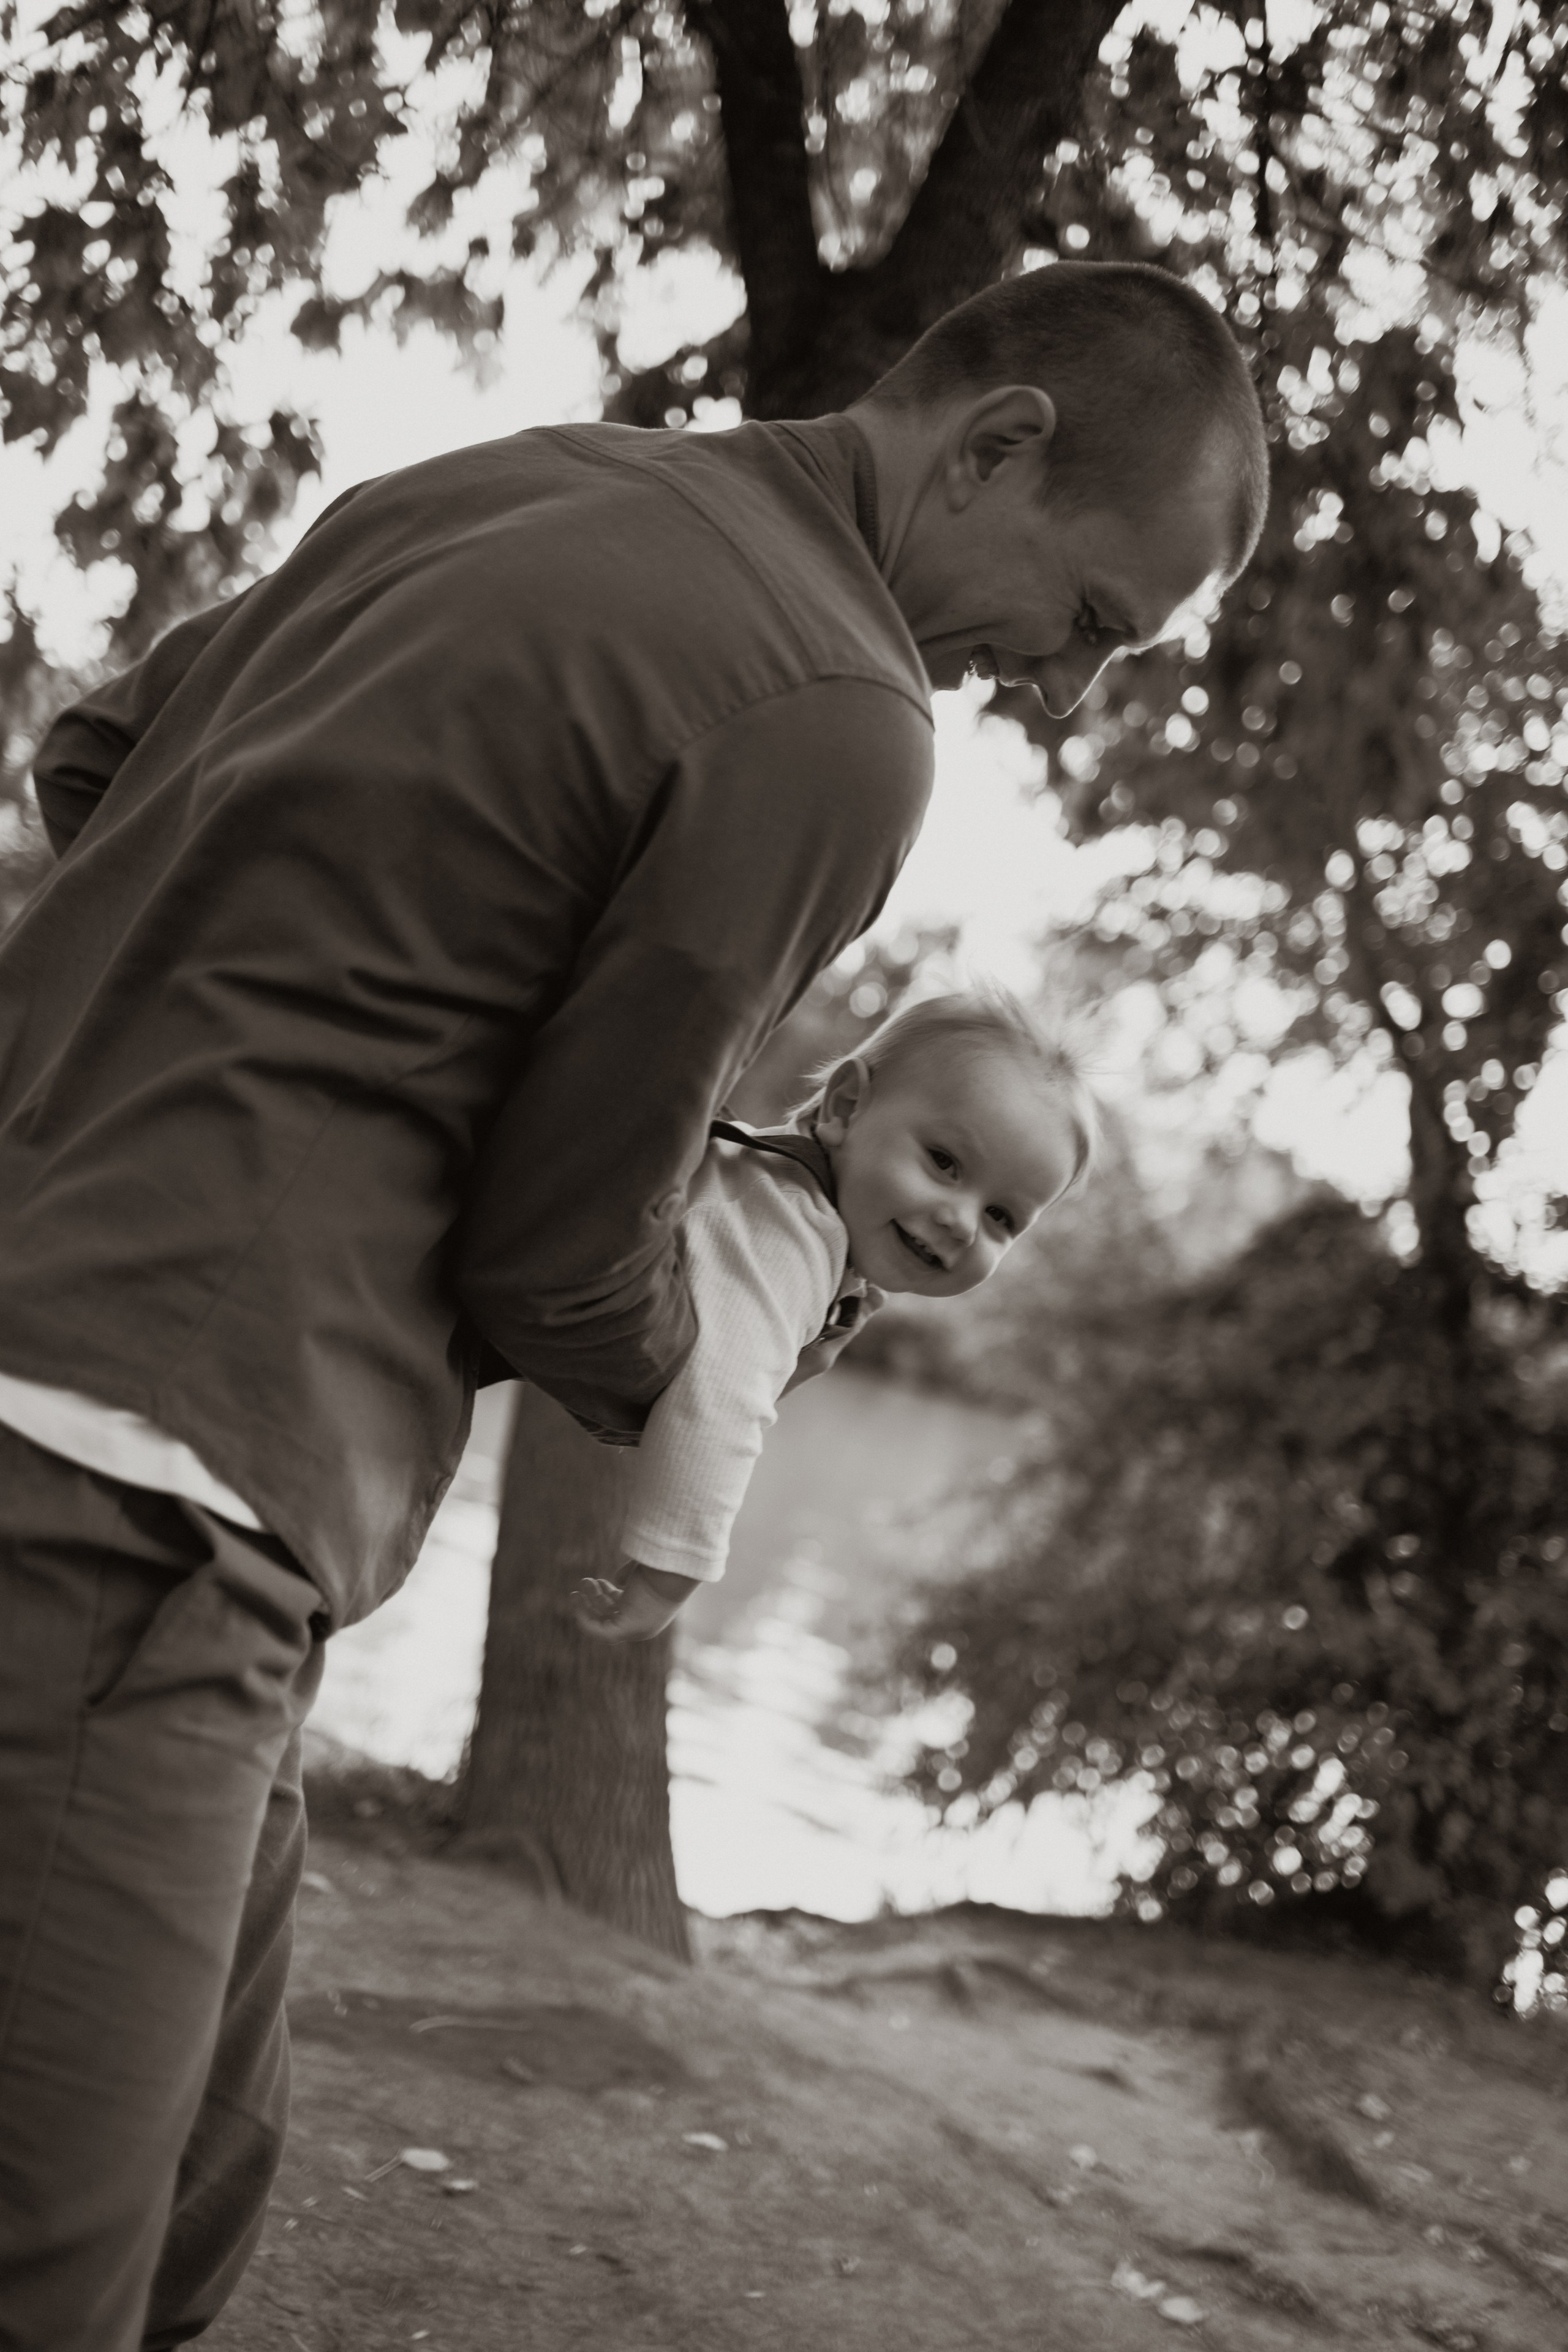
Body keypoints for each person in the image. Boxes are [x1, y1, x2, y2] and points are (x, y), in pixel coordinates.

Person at [0, 258, 1267, 2348]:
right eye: (1095, 622)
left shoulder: (508, 481)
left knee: (203, 2188)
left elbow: (96, 756)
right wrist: (740, 1336)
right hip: (143, 1481)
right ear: (1001, 442)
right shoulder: (847, 710)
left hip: (155, 1443)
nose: (1064, 685)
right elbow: (560, 1247)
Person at [575, 990, 1096, 1643]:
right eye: (944, 1162)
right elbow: (721, 1398)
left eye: (1002, 1218)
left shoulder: (780, 1193)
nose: (961, 1222)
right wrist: (666, 1577)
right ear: (846, 1106)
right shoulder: (792, 1232)